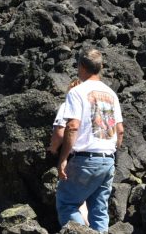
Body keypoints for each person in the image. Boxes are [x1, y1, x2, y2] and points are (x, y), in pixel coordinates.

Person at [56, 49, 124, 232]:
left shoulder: (76, 92)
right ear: (100, 67)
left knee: (67, 203)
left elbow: (72, 127)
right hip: (108, 159)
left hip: (84, 159)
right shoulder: (112, 94)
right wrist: (111, 153)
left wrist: (63, 158)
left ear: (81, 66)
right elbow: (120, 130)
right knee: (99, 211)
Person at [49, 79, 88, 225]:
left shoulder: (68, 106)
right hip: (96, 158)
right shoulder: (91, 107)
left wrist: (53, 149)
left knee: (69, 202)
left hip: (74, 158)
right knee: (85, 201)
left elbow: (60, 132)